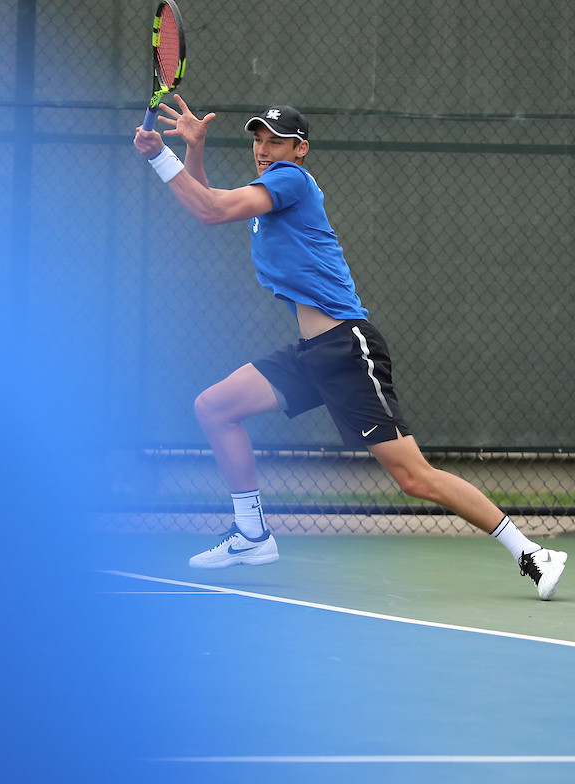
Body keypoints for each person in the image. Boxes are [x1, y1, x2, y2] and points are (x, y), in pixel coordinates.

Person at [133, 95, 567, 600]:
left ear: (301, 150)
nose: (264, 149)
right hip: (312, 353)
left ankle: (531, 553)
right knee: (215, 407)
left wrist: (157, 156)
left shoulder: (289, 180)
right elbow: (205, 202)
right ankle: (251, 533)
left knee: (413, 477)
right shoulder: (268, 187)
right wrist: (195, 151)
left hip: (345, 347)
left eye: (277, 141)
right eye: (259, 139)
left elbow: (210, 210)